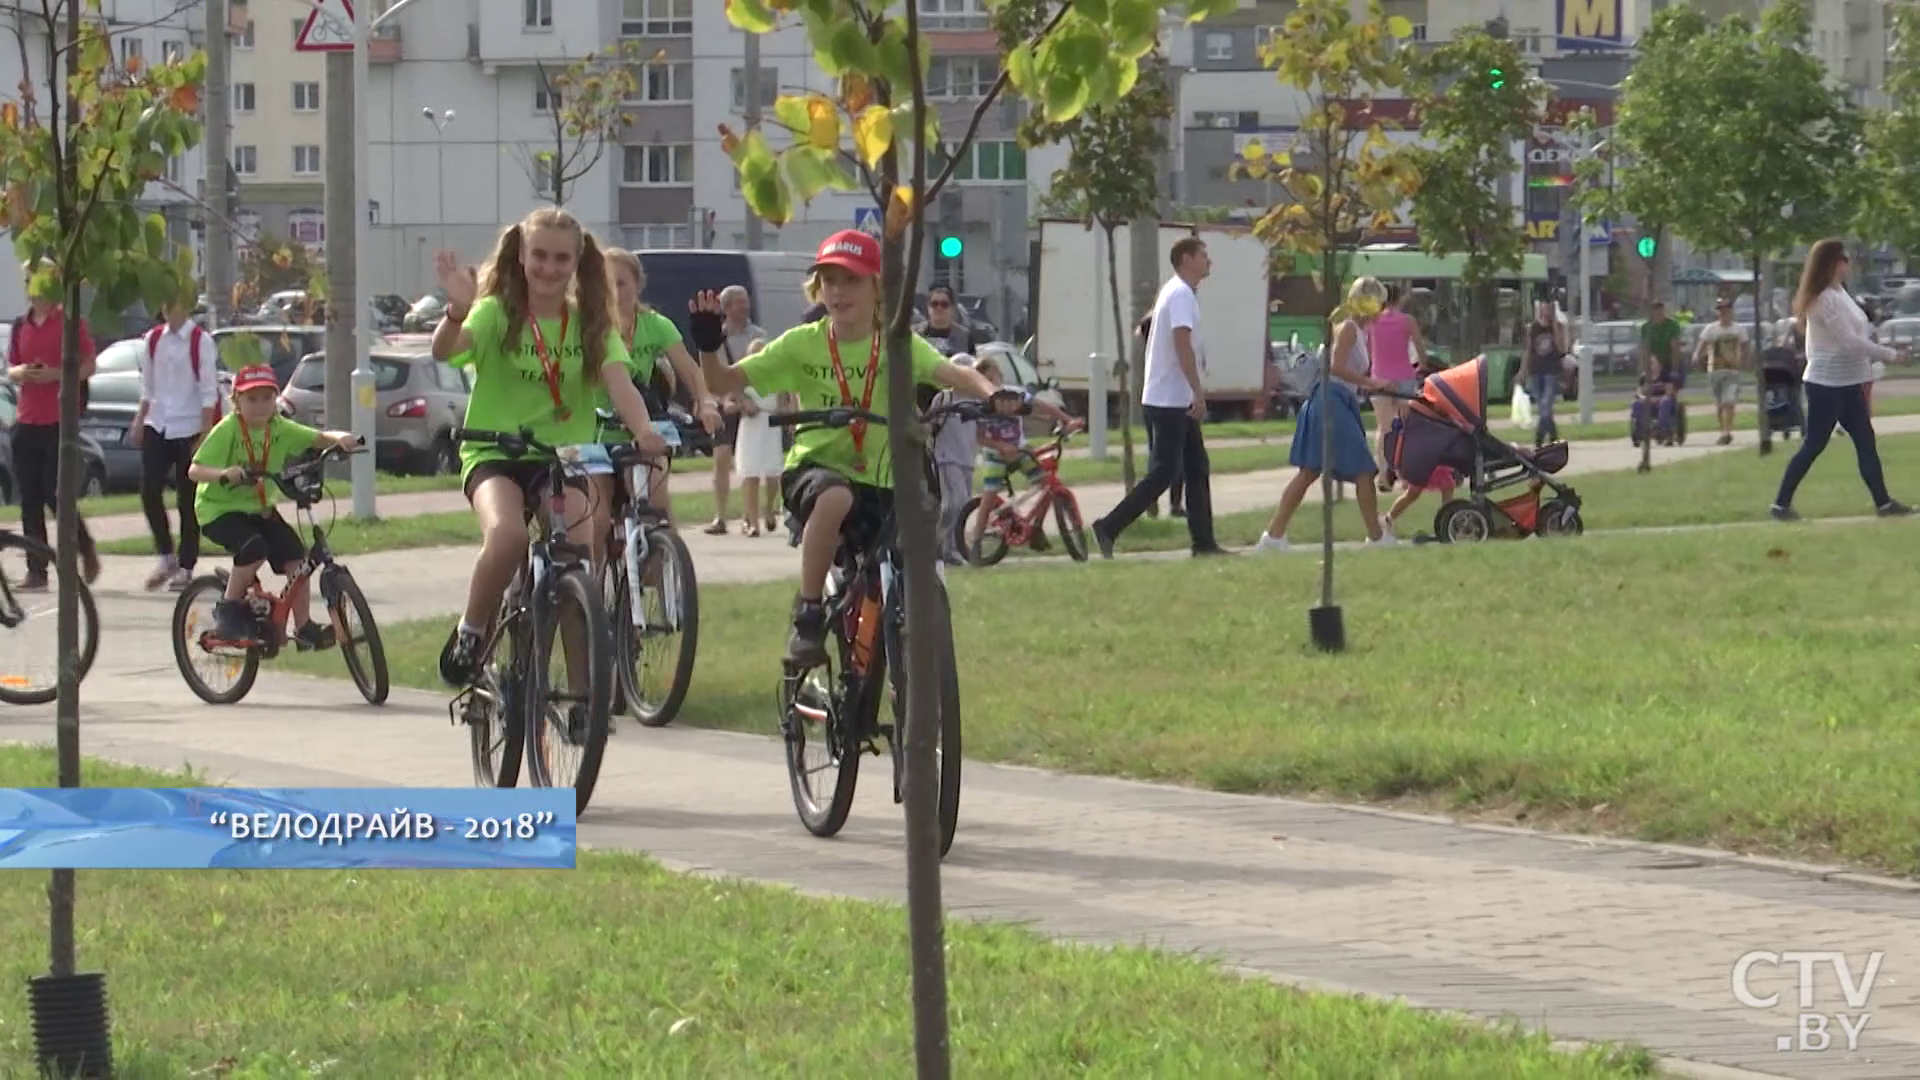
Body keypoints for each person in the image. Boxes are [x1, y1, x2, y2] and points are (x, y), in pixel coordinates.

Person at [689, 229, 1010, 666]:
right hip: (816, 472)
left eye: (851, 280)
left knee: (899, 562)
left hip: (882, 481)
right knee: (836, 496)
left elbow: (956, 374)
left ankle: (892, 670)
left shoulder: (896, 344)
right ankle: (808, 613)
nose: (838, 292)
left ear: (878, 286)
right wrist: (709, 347)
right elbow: (722, 382)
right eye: (829, 281)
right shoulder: (802, 342)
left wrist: (991, 393)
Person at [427, 208, 668, 685]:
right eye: (539, 256)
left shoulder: (590, 322)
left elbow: (620, 383)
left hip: (564, 459)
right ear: (521, 255)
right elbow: (445, 350)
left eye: (561, 259)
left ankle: (585, 696)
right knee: (509, 536)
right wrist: (456, 311)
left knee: (578, 557)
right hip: (496, 453)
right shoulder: (498, 312)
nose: (549, 268)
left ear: (578, 263)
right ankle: (472, 631)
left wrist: (644, 431)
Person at [187, 364, 360, 643]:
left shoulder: (278, 427)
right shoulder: (228, 429)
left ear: (276, 399)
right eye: (251, 399)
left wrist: (340, 438)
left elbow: (316, 438)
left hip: (260, 508)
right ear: (236, 402)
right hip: (219, 510)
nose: (260, 406)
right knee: (254, 548)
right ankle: (228, 612)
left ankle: (303, 628)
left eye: (267, 398)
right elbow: (194, 471)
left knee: (299, 561)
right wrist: (223, 474)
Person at [1090, 237, 1228, 559]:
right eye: (1203, 255)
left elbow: (1147, 328)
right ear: (1186, 258)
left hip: (1172, 397)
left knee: (1196, 468)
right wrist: (1198, 391)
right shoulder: (1180, 293)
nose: (1209, 261)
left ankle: (1204, 543)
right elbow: (1182, 343)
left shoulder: (1175, 291)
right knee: (1165, 472)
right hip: (1171, 400)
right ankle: (1109, 526)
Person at [1771, 238, 1911, 522]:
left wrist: (1880, 347)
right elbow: (1848, 341)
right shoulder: (1822, 299)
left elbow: (1860, 331)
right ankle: (1780, 504)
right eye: (1845, 258)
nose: (1849, 263)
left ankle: (1883, 503)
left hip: (1849, 382)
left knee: (1865, 440)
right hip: (1826, 384)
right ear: (1835, 262)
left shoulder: (1840, 293)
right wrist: (1890, 355)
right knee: (1814, 444)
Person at [1256, 276, 1396, 551]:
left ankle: (1273, 536)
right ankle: (1376, 537)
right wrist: (1371, 382)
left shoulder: (1356, 330)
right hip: (1331, 402)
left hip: (1334, 400)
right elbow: (1336, 367)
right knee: (1364, 471)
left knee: (1309, 471)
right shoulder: (1348, 329)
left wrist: (1365, 385)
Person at [600, 248, 720, 531]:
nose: (615, 293)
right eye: (607, 285)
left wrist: (705, 402)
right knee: (596, 513)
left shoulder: (655, 325)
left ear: (638, 285)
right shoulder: (592, 326)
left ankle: (666, 567)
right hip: (596, 426)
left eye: (622, 283)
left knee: (656, 503)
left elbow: (689, 369)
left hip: (643, 426)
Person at [5, 262, 100, 588]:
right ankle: (37, 569)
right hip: (26, 418)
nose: (36, 289)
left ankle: (83, 546)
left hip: (59, 419)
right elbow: (11, 368)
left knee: (54, 493)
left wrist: (57, 374)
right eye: (30, 282)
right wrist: (23, 373)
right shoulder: (21, 325)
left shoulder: (71, 323)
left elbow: (89, 365)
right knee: (29, 497)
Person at [130, 289, 221, 591]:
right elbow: (148, 387)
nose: (168, 307)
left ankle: (186, 565)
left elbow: (209, 390)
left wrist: (206, 434)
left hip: (190, 426)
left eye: (174, 301)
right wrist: (140, 420)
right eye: (164, 301)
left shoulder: (200, 342)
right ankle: (165, 554)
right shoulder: (153, 339)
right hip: (160, 422)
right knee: (149, 490)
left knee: (187, 499)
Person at [969, 352, 1080, 558]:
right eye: (984, 381)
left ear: (1000, 376)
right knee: (988, 496)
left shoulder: (1013, 395)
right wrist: (999, 445)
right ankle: (976, 542)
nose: (990, 385)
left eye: (992, 379)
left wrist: (1066, 420)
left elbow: (1040, 405)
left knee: (1047, 484)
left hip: (1019, 452)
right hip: (996, 456)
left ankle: (1036, 528)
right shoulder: (982, 405)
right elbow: (979, 437)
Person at [703, 285, 765, 536]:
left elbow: (762, 371)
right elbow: (716, 373)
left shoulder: (759, 336)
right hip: (726, 406)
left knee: (750, 466)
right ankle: (720, 516)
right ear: (726, 307)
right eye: (738, 302)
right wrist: (732, 400)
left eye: (745, 301)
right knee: (721, 459)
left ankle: (749, 517)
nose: (744, 306)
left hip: (753, 407)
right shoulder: (716, 338)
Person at [1369, 284, 1429, 482]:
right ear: (1399, 299)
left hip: (1379, 378)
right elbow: (1421, 349)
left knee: (1383, 426)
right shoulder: (1407, 321)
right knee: (1405, 426)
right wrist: (1421, 366)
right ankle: (1405, 473)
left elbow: (1369, 350)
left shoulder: (1372, 321)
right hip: (1404, 375)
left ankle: (1383, 472)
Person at [733, 337, 790, 537]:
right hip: (751, 427)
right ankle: (752, 522)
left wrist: (787, 416)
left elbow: (785, 400)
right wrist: (743, 403)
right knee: (751, 474)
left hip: (771, 424)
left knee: (773, 474)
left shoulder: (777, 375)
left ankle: (769, 507)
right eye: (754, 353)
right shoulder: (741, 375)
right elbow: (732, 398)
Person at [929, 353, 981, 566]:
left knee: (963, 505)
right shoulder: (944, 398)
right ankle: (936, 545)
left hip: (967, 457)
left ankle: (952, 548)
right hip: (946, 456)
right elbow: (931, 423)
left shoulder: (975, 399)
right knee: (954, 502)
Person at [1694, 297, 1751, 446]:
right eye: (1721, 310)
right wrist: (1697, 356)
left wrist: (1745, 362)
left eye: (1726, 310)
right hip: (1715, 370)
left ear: (1731, 311)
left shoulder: (1739, 329)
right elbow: (1702, 344)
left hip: (1732, 371)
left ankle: (1727, 432)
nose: (1723, 313)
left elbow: (1745, 347)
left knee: (1729, 401)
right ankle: (1723, 430)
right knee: (1720, 404)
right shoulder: (1711, 329)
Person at [1521, 299, 1568, 448]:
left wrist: (1554, 327)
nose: (1547, 312)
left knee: (1545, 405)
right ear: (1540, 310)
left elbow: (1562, 349)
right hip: (1535, 371)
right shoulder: (1533, 328)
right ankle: (1553, 437)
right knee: (1543, 408)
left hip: (1551, 371)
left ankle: (1539, 438)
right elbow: (1528, 350)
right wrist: (1523, 371)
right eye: (1544, 309)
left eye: (1550, 309)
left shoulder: (1557, 327)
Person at [920, 285, 975, 358]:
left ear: (951, 308)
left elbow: (973, 365)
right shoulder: (916, 334)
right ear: (928, 307)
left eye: (944, 304)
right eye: (934, 304)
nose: (939, 308)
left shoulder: (965, 337)